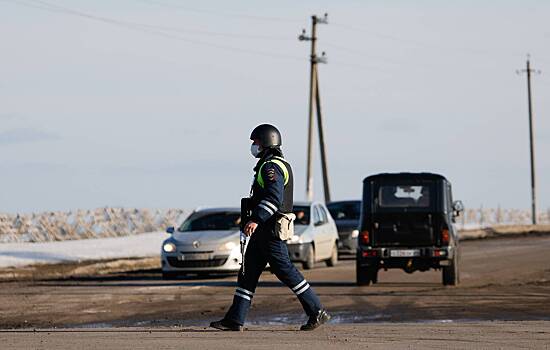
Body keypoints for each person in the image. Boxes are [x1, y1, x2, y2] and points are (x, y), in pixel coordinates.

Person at [210, 124, 330, 331]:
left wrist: (256, 218)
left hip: (270, 231)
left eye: (255, 142)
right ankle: (234, 319)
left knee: (286, 272)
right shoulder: (269, 164)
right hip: (261, 232)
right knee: (247, 274)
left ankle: (317, 311)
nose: (253, 146)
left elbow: (274, 199)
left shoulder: (271, 167)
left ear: (266, 143)